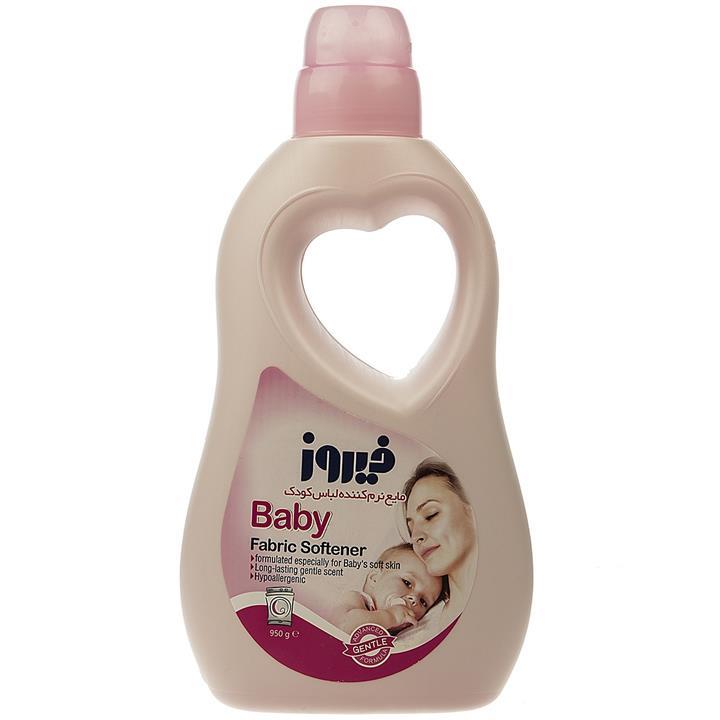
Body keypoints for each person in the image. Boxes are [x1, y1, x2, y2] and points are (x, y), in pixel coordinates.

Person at [403, 459, 477, 622]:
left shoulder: (506, 596)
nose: (415, 537)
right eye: (411, 528)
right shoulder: (414, 624)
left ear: (472, 512)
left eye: (431, 515)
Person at [332, 542, 444, 636]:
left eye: (423, 602)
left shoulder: (403, 635)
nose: (414, 599)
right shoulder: (357, 600)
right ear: (375, 578)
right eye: (407, 583)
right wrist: (391, 616)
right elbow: (344, 625)